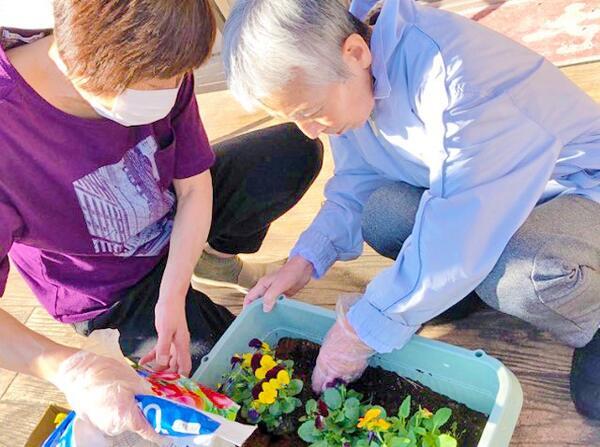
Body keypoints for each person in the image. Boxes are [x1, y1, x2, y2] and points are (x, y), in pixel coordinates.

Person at [223, 0, 600, 419]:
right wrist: (304, 260)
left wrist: (359, 331)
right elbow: (358, 183)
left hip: (576, 187)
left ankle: (592, 316)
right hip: (486, 198)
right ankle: (457, 292)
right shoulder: (347, 71)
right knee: (383, 214)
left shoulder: (459, 80)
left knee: (519, 275)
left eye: (310, 113)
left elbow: (462, 235)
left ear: (355, 52)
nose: (308, 131)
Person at [0, 0, 322, 441]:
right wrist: (66, 367)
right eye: (157, 85)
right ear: (92, 67)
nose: (172, 93)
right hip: (110, 291)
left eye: (177, 80)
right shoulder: (9, 134)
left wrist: (173, 293)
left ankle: (210, 260)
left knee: (290, 152)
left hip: (167, 217)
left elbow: (193, 187)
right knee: (238, 374)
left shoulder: (160, 51)